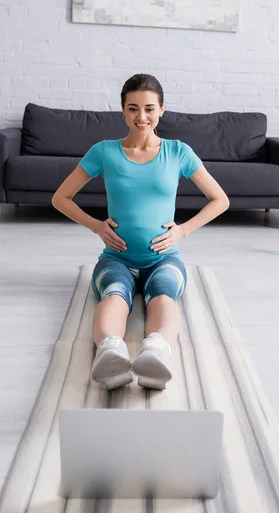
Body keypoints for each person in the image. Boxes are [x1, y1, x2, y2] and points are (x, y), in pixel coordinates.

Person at [51, 73, 230, 391]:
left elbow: (220, 200)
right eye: (133, 108)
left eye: (149, 108)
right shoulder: (104, 152)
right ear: (123, 110)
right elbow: (60, 198)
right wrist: (96, 226)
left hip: (164, 257)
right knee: (114, 294)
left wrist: (183, 231)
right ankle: (110, 353)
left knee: (163, 293)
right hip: (116, 257)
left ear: (162, 109)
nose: (141, 116)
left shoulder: (178, 152)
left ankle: (156, 351)